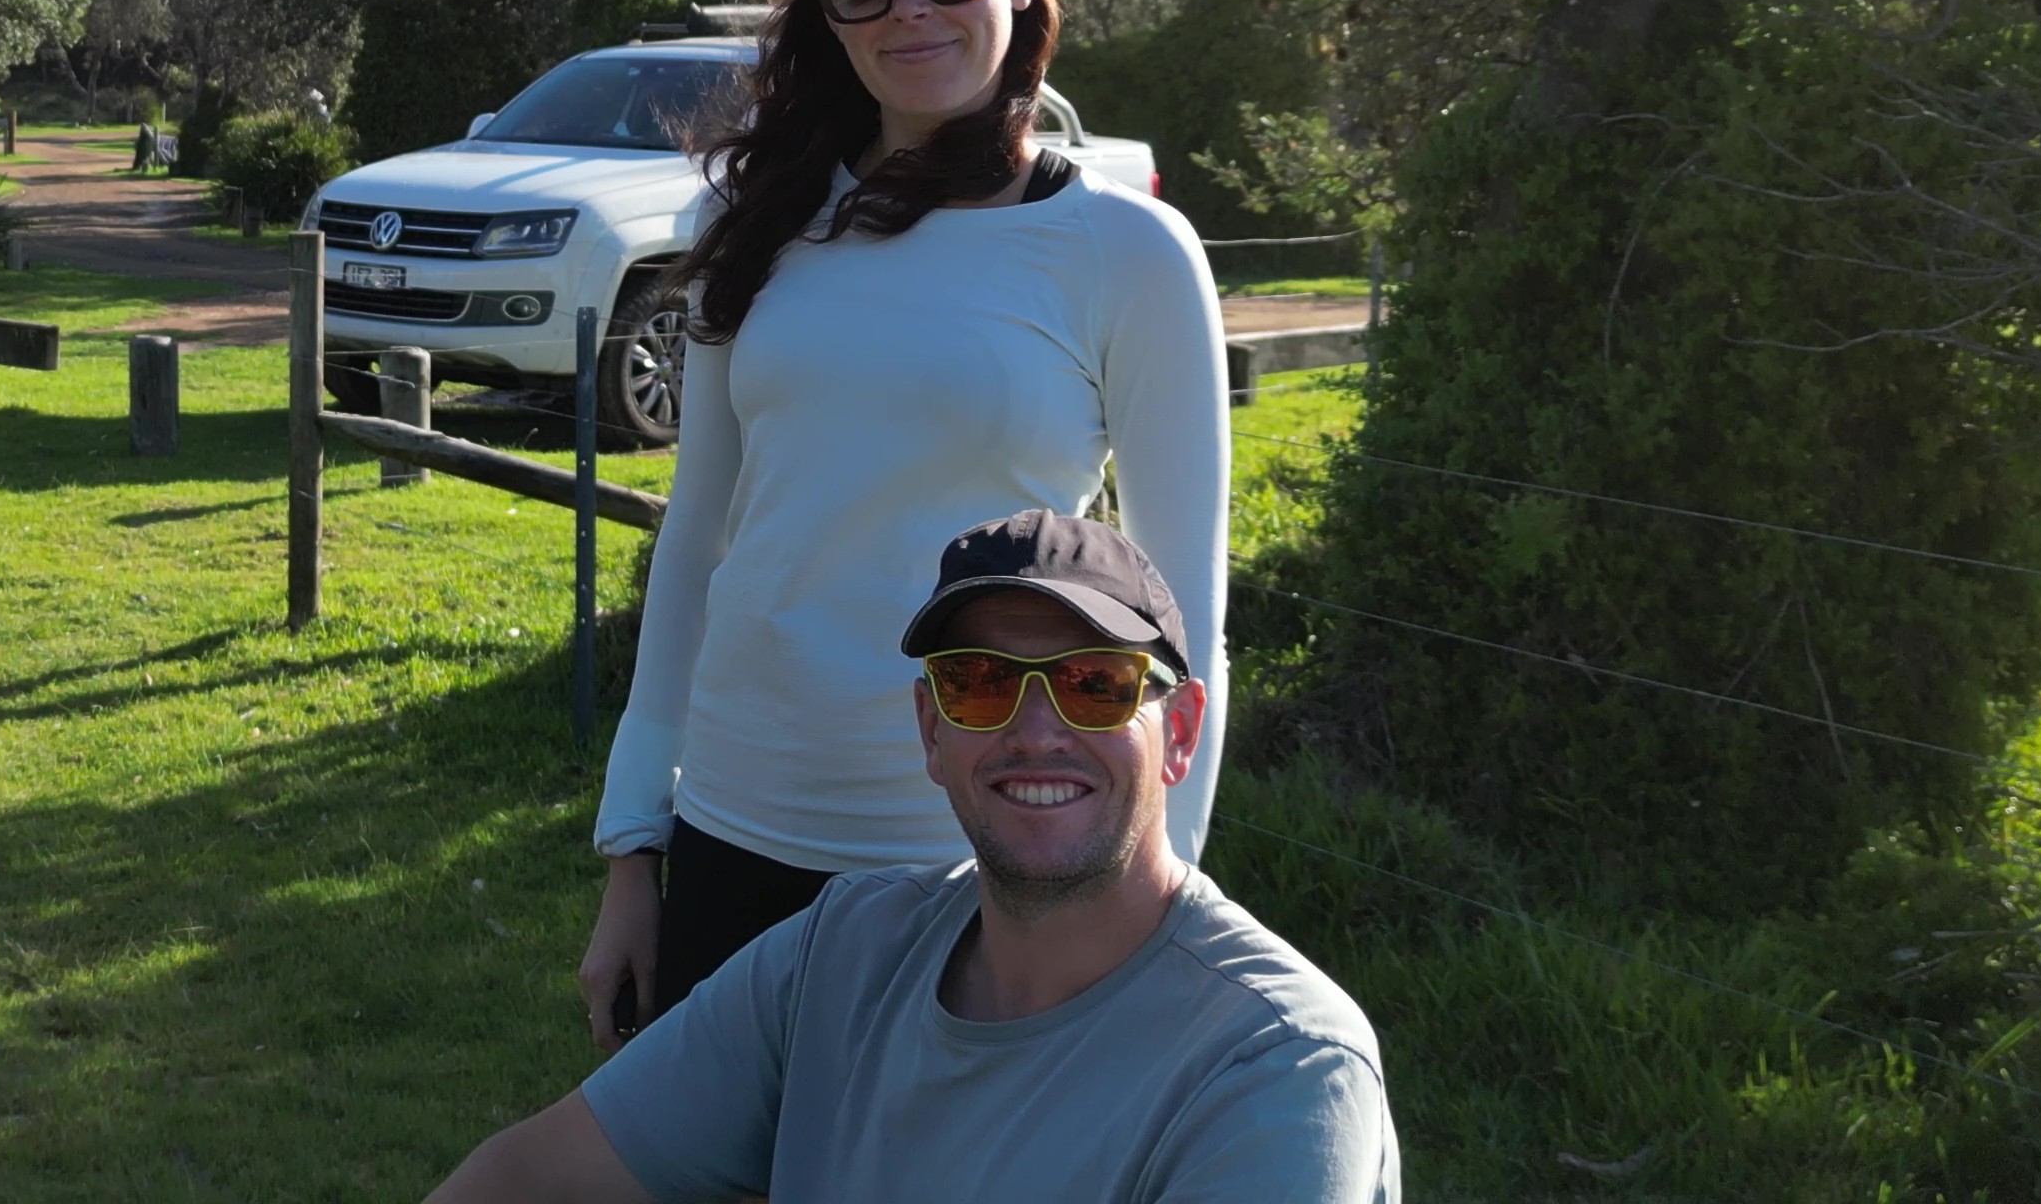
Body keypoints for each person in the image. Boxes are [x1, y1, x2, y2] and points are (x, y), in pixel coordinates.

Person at [582, 0, 1233, 1045]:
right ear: (825, 11)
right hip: (732, 831)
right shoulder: (756, 226)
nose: (909, 8)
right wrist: (635, 849)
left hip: (976, 862)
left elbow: (1184, 621)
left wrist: (1158, 915)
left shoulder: (1129, 252)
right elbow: (697, 543)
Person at [430, 511, 1397, 1203]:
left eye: (1094, 684)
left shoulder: (1278, 1067)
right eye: (979, 683)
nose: (1035, 731)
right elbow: (526, 1175)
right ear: (933, 731)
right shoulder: (841, 953)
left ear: (1179, 733)